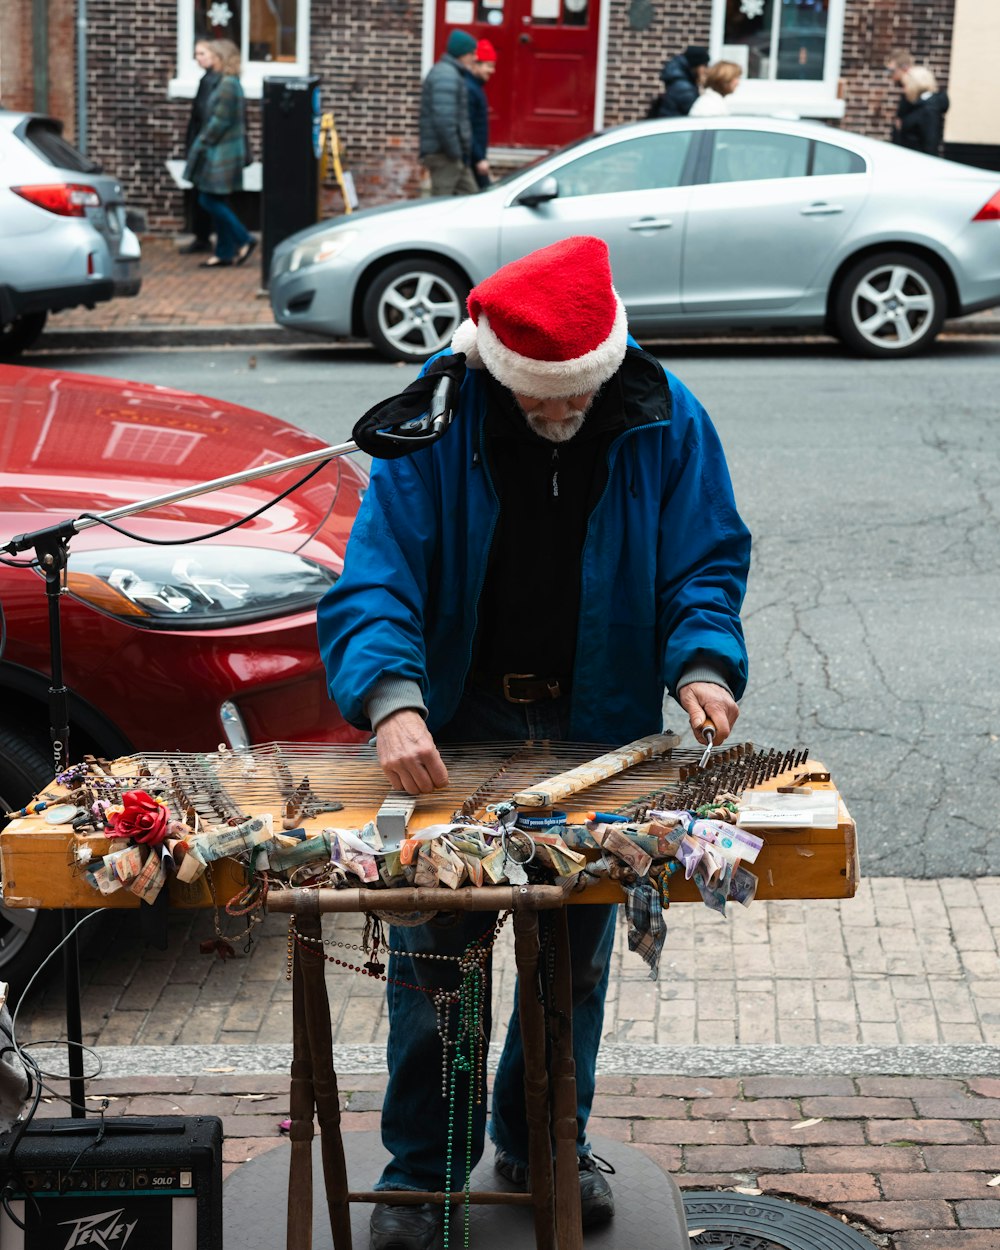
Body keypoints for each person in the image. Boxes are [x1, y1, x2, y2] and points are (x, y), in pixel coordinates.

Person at [317, 235, 751, 1250]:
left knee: (572, 960)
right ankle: (425, 1171)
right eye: (538, 404)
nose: (557, 418)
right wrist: (393, 698)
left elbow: (704, 556)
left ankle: (544, 1137)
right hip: (462, 721)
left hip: (598, 723)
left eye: (572, 403)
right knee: (439, 964)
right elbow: (376, 575)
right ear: (498, 372)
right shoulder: (441, 412)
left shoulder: (661, 411)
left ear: (602, 370)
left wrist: (700, 660)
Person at [182, 39, 256, 269]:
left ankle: (244, 238)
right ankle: (224, 252)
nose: (208, 58)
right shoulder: (226, 83)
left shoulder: (228, 85)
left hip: (221, 154)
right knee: (217, 199)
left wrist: (202, 143)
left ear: (221, 58)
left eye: (212, 54)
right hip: (222, 151)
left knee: (208, 199)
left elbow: (219, 122)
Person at [419, 30, 478, 196]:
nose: (474, 58)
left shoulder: (450, 73)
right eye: (472, 53)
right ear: (461, 53)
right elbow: (444, 121)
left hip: (451, 155)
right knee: (440, 207)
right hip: (444, 156)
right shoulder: (446, 75)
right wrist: (455, 152)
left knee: (473, 201)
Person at [179, 40, 220, 255]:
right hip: (201, 143)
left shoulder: (212, 81)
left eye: (202, 53)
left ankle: (204, 237)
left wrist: (198, 144)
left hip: (203, 146)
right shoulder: (209, 80)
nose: (198, 58)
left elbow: (203, 116)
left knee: (204, 194)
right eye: (196, 54)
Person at [465, 38, 497, 190]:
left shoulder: (475, 88)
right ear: (476, 64)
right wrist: (479, 158)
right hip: (473, 159)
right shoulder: (470, 90)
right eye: (489, 66)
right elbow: (468, 127)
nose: (492, 70)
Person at [897, 66, 949, 156]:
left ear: (914, 85)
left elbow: (930, 145)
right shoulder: (920, 105)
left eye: (905, 85)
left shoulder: (929, 109)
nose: (904, 90)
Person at [648, 45, 710, 119]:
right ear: (696, 66)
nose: (707, 70)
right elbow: (698, 114)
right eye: (705, 65)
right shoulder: (684, 88)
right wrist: (706, 86)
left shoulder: (681, 79)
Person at [885, 46, 915, 144]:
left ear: (904, 68)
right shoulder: (906, 91)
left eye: (892, 71)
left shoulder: (914, 93)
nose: (890, 75)